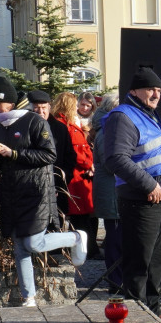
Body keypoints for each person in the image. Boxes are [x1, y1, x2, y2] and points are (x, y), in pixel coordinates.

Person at [0, 77, 88, 307]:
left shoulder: (34, 122)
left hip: (36, 190)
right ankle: (28, 297)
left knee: (32, 243)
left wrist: (13, 154)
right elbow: (4, 163)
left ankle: (76, 237)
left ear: (9, 101)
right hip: (11, 192)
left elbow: (49, 155)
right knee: (20, 246)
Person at [103, 66, 161, 323]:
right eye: (150, 89)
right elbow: (116, 158)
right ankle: (137, 314)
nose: (156, 94)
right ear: (134, 91)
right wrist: (148, 184)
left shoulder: (148, 115)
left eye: (159, 90)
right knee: (139, 260)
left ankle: (153, 307)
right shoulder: (123, 116)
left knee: (158, 260)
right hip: (142, 200)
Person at [51, 92, 99, 259]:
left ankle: (86, 249)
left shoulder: (64, 123)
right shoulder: (66, 125)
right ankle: (88, 250)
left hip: (78, 176)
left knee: (82, 216)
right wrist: (89, 164)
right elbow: (78, 150)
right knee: (81, 217)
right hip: (77, 177)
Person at [90, 94, 124, 290]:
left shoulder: (107, 129)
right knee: (115, 237)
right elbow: (112, 165)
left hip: (113, 189)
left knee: (117, 236)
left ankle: (118, 278)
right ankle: (115, 280)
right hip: (111, 191)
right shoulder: (105, 132)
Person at [28, 90, 74, 234]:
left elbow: (70, 157)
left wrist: (61, 184)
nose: (40, 111)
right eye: (37, 107)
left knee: (55, 225)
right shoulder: (26, 126)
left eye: (43, 107)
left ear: (49, 107)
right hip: (33, 185)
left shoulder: (59, 128)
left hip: (56, 185)